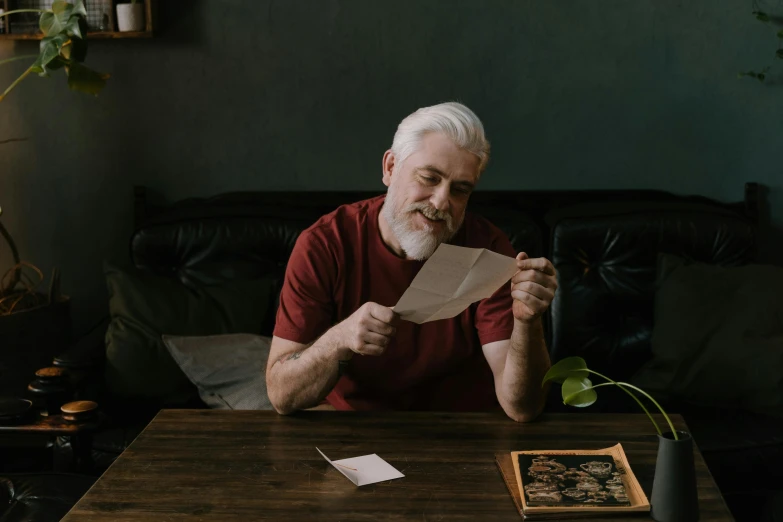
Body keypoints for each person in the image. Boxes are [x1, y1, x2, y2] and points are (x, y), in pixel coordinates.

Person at [266, 102, 557, 421]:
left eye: (460, 190)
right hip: (357, 431)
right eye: (429, 178)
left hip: (462, 432)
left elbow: (522, 408)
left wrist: (528, 323)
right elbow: (282, 396)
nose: (441, 201)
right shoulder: (324, 243)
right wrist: (340, 338)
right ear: (390, 167)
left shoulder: (487, 247)